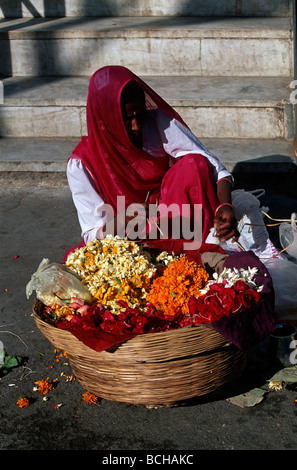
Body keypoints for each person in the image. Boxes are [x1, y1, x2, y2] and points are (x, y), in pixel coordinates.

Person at [66, 65, 238, 258]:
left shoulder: (156, 122)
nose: (137, 126)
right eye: (127, 119)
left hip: (173, 215)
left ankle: (191, 242)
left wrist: (225, 205)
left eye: (140, 115)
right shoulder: (82, 164)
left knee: (194, 164)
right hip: (131, 231)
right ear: (103, 121)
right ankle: (174, 249)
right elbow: (92, 234)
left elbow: (214, 167)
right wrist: (125, 219)